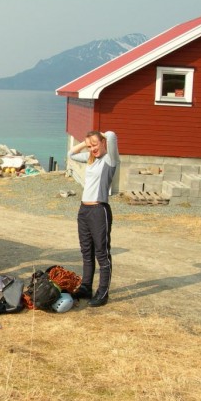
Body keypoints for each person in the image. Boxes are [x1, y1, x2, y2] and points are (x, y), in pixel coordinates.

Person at [68, 131, 119, 307]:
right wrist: (85, 143)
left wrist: (101, 135)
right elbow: (71, 154)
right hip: (84, 210)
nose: (93, 149)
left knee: (102, 254)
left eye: (95, 145)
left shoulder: (110, 160)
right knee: (86, 252)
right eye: (90, 146)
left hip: (99, 210)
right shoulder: (91, 158)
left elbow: (112, 136)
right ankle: (86, 287)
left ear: (103, 143)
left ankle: (103, 292)